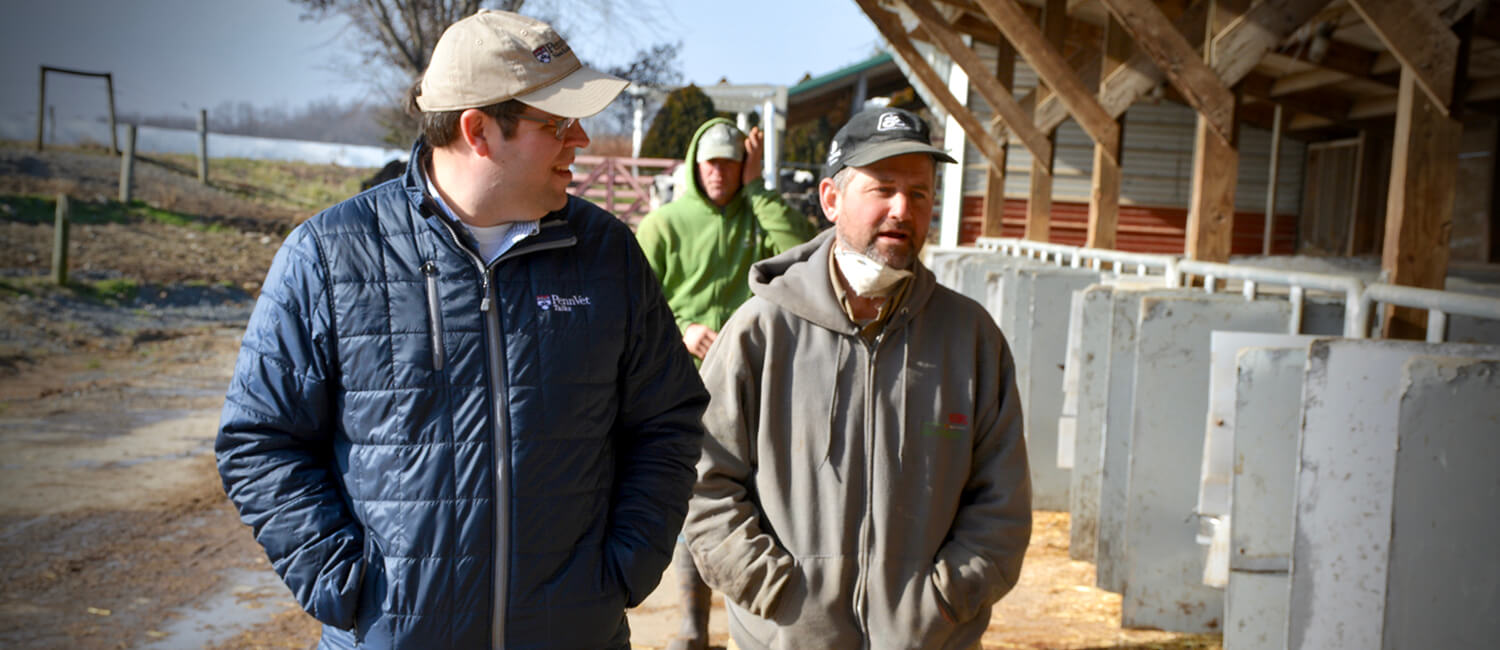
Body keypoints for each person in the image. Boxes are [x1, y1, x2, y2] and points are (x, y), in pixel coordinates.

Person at [215, 10, 708, 649]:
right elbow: (259, 438)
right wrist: (344, 581)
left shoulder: (608, 254)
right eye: (557, 122)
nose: (581, 138)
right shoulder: (330, 256)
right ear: (478, 130)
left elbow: (666, 420)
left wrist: (622, 568)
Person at [681, 106, 1033, 649]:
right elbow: (701, 483)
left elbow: (1002, 501)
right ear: (830, 200)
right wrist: (777, 596)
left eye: (919, 193)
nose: (902, 209)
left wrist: (945, 599)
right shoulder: (762, 332)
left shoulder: (971, 339)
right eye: (883, 188)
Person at [635, 118, 816, 649]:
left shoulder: (758, 219)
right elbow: (634, 304)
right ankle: (693, 625)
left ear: (745, 168)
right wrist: (679, 328)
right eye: (711, 164)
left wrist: (760, 190)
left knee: (754, 505)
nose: (719, 174)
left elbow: (803, 253)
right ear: (695, 165)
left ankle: (748, 625)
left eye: (731, 164)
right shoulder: (664, 225)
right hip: (679, 387)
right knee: (699, 496)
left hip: (752, 386)